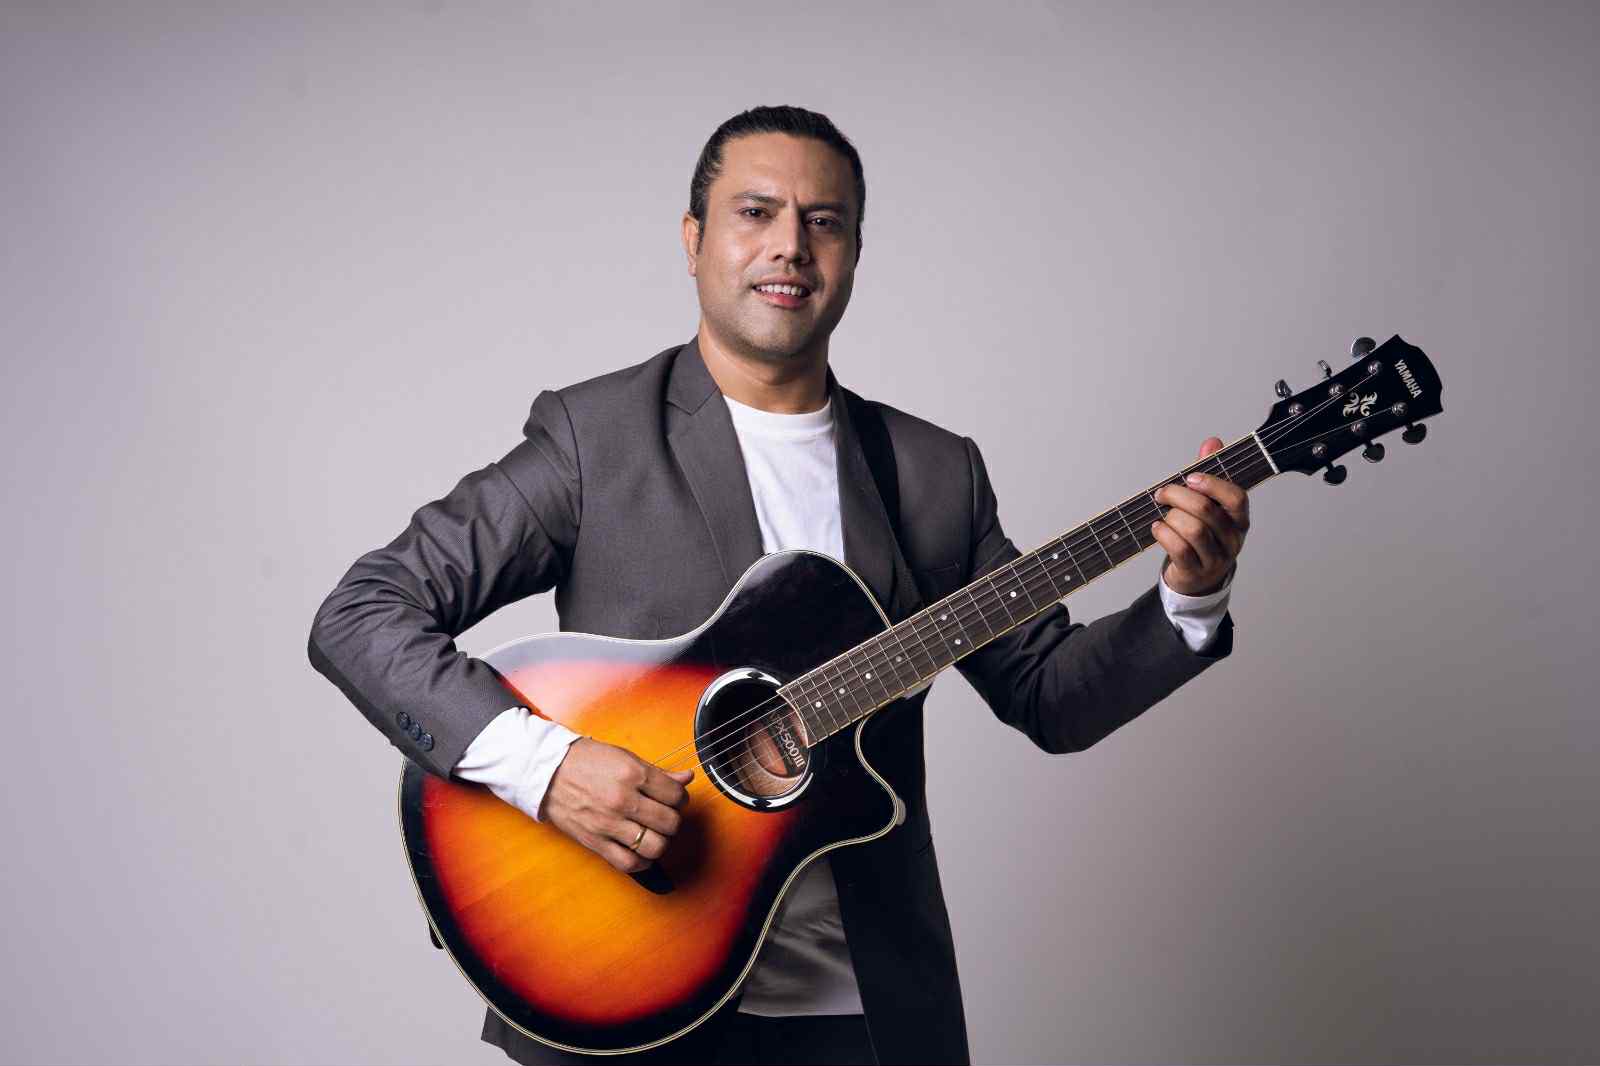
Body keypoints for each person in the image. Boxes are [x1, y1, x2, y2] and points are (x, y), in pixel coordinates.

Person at [307, 105, 1249, 1066]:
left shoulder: (932, 474)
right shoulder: (597, 439)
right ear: (694, 241)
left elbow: (1050, 695)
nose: (790, 245)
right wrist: (549, 770)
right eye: (755, 212)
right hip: (621, 987)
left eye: (823, 221)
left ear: (854, 254)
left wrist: (1191, 597)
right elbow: (363, 613)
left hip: (861, 1014)